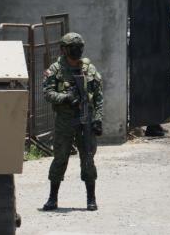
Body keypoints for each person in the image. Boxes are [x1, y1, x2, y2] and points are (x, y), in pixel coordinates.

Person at [42, 32, 104, 211]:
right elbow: (47, 93)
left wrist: (98, 120)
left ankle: (91, 199)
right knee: (60, 158)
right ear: (63, 50)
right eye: (73, 48)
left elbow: (98, 96)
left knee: (88, 159)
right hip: (65, 121)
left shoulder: (89, 68)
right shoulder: (55, 69)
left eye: (80, 48)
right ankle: (52, 198)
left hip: (86, 119)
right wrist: (66, 98)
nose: (77, 51)